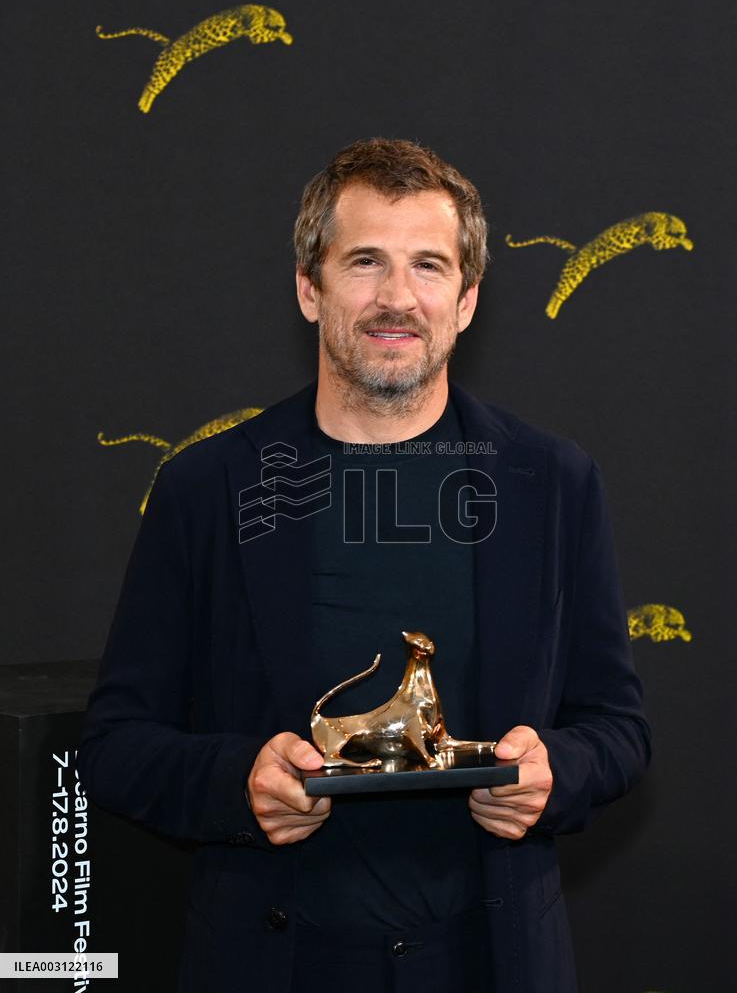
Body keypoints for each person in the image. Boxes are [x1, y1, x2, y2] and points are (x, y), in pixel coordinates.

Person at [77, 138, 651, 993]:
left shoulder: (552, 484)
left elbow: (617, 728)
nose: (396, 298)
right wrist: (239, 783)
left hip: (494, 963)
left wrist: (553, 773)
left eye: (428, 265)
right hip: (269, 960)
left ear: (465, 300)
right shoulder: (206, 487)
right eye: (364, 263)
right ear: (310, 289)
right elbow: (115, 747)